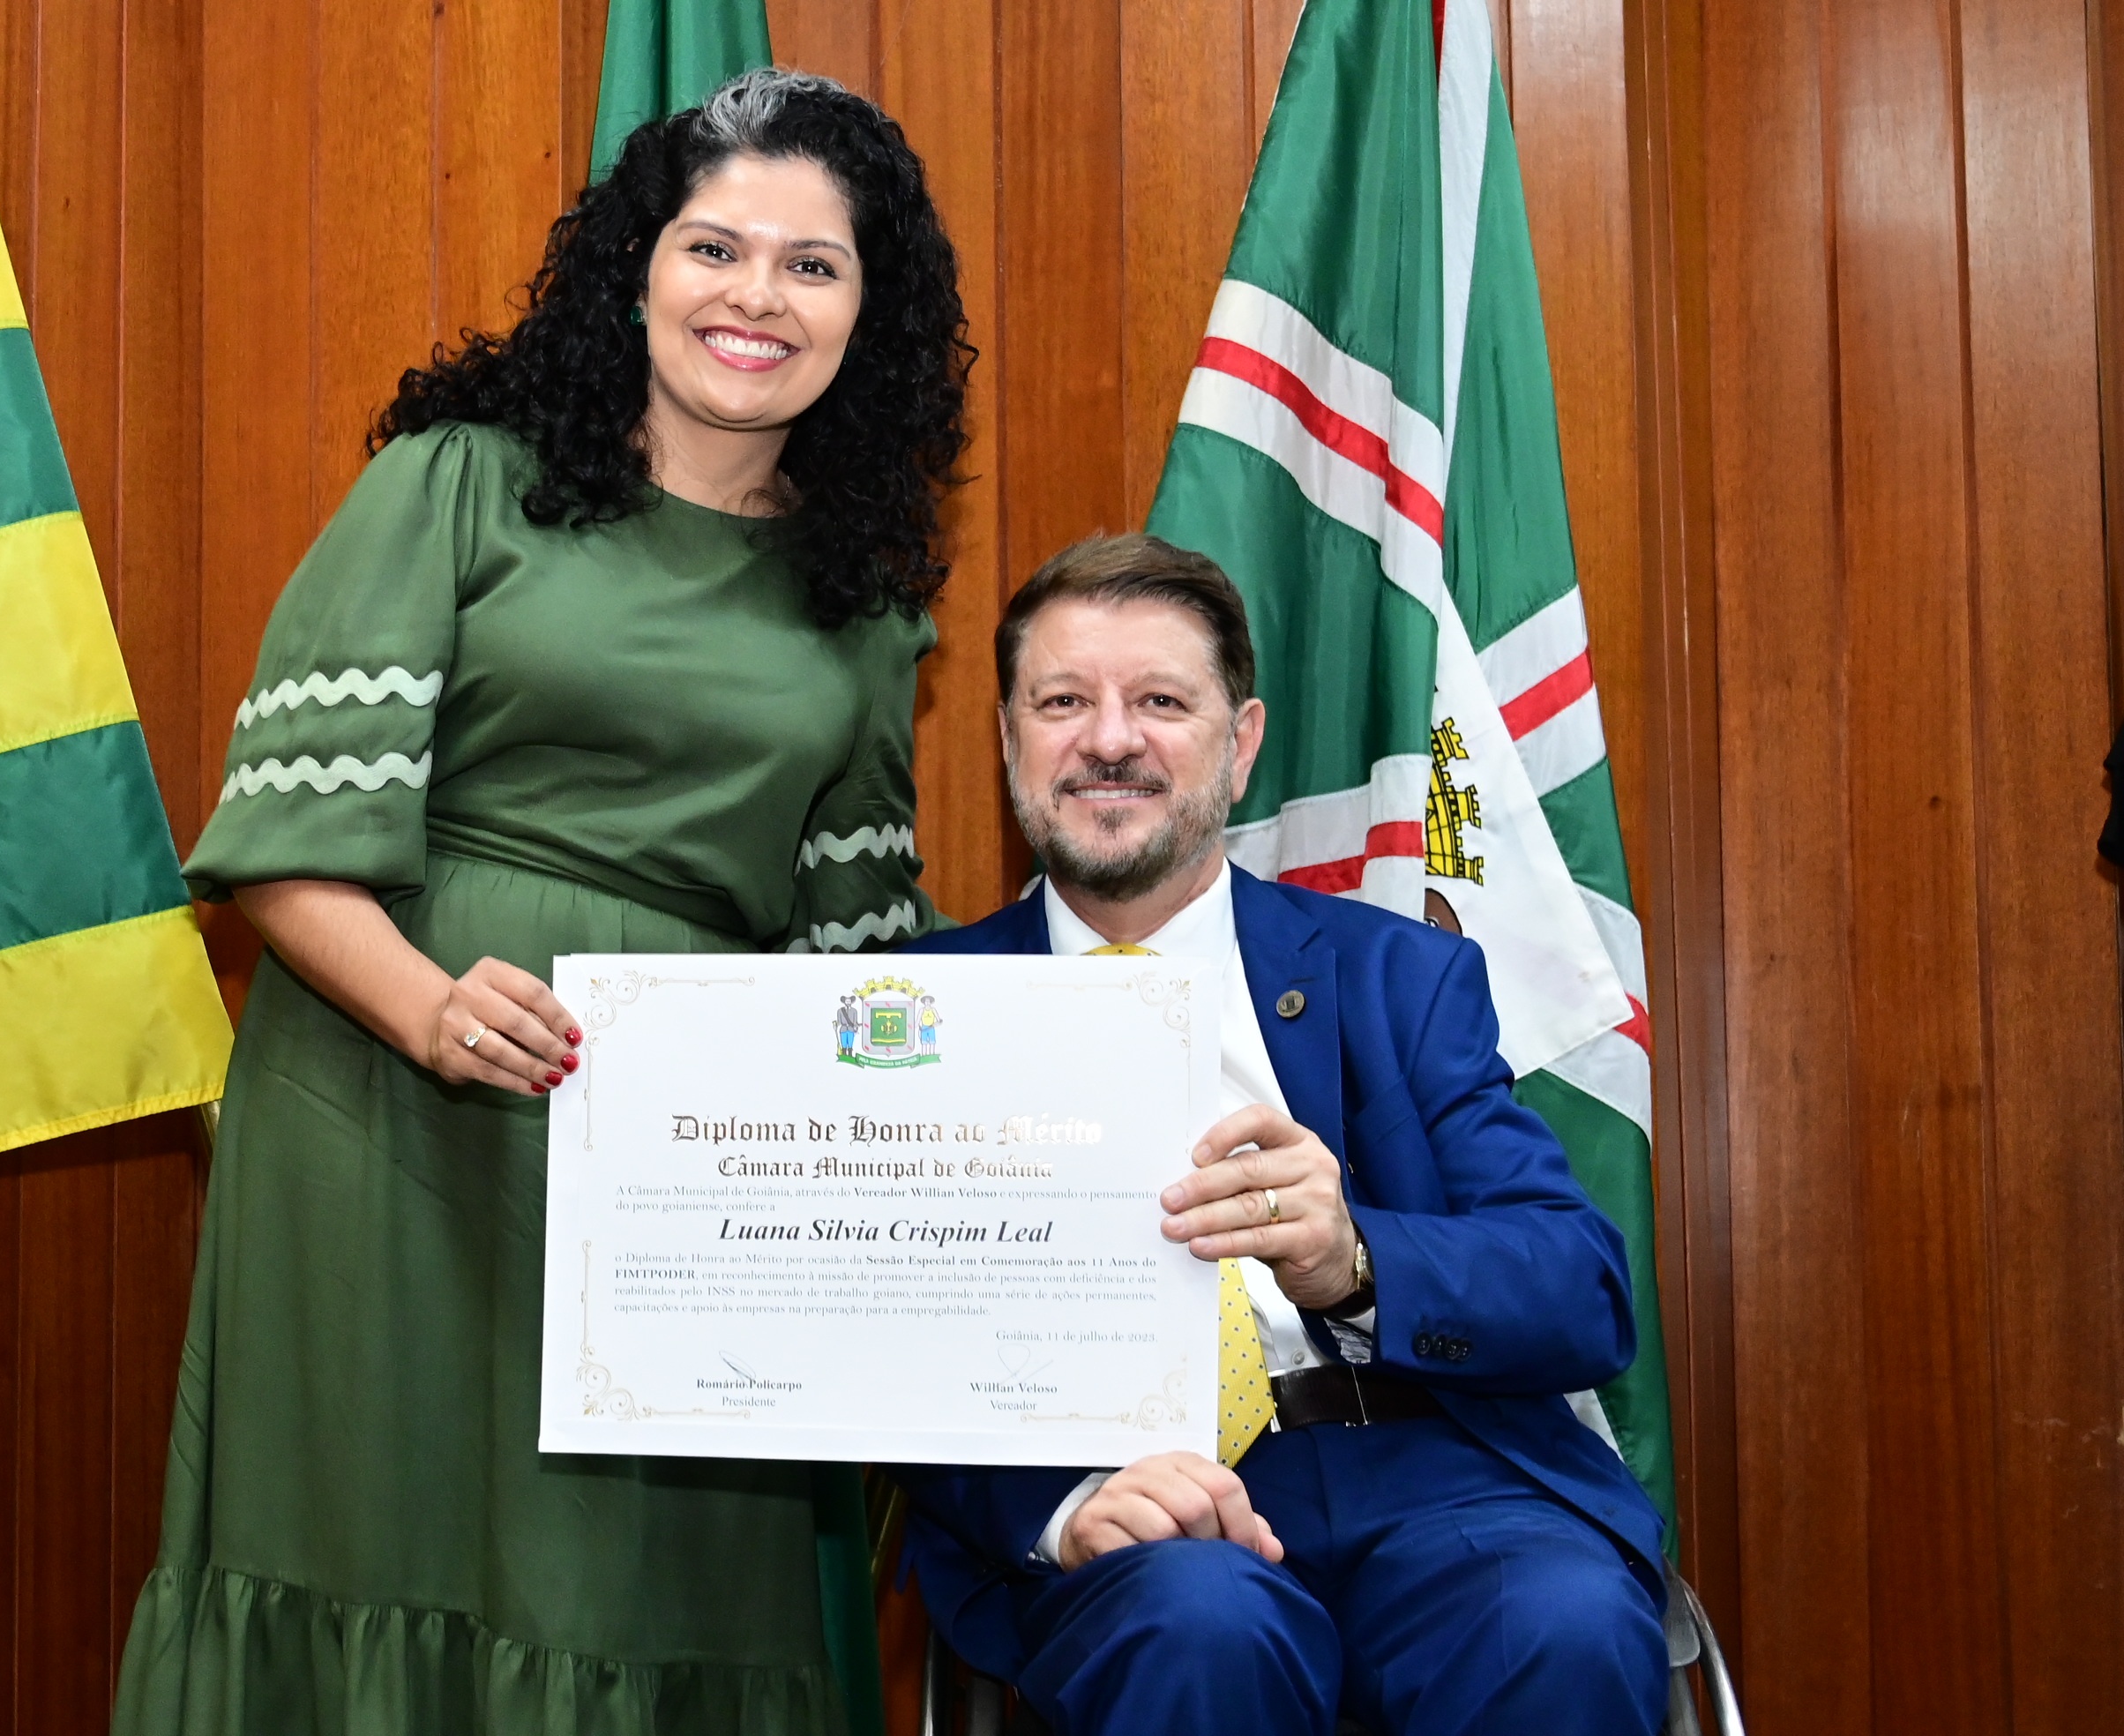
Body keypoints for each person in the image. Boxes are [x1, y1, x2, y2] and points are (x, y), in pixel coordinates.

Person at [115, 70, 969, 1736]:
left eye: (813, 265)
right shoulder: (454, 483)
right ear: (636, 267)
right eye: (715, 247)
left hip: (691, 1170)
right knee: (375, 1549)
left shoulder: (864, 601)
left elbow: (863, 957)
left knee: (644, 1598)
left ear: (871, 315)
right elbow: (277, 843)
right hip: (387, 1121)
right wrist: (432, 1010)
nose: (756, 296)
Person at [891, 535, 1668, 1736]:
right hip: (1145, 1511)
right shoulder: (915, 1012)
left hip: (1434, 1471)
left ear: (1242, 742)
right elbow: (875, 1341)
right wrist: (1066, 1506)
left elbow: (1582, 1291)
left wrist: (1356, 1259)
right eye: (1063, 703)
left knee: (1559, 1624)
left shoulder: (1399, 977)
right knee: (1200, 1628)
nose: (1110, 740)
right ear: (1007, 740)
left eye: (1161, 702)